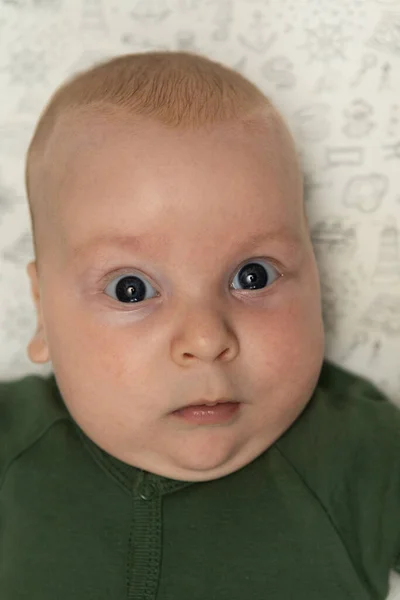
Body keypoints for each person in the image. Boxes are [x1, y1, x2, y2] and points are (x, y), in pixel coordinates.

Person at [1, 50, 399, 599]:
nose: (207, 340)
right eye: (130, 289)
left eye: (253, 276)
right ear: (43, 309)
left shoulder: (365, 453)